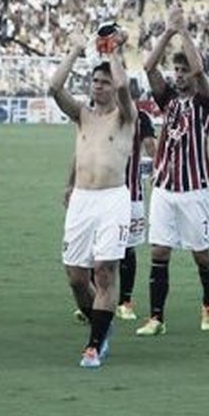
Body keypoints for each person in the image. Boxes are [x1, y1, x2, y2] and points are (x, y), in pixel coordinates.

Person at [49, 24, 137, 367]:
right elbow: (55, 87)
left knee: (104, 272)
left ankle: (93, 345)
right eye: (95, 82)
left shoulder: (125, 117)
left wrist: (114, 50)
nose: (99, 86)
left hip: (113, 199)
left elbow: (124, 85)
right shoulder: (83, 116)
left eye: (104, 82)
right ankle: (103, 324)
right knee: (76, 277)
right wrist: (74, 49)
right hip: (83, 201)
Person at [136, 7, 209, 336]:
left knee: (201, 255)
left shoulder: (205, 102)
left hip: (194, 190)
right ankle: (156, 317)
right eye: (177, 70)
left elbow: (200, 72)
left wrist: (184, 32)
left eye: (183, 70)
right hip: (164, 188)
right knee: (159, 251)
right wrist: (168, 33)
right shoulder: (168, 100)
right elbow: (148, 67)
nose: (180, 75)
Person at [64, 106, 156, 322]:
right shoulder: (95, 117)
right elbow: (81, 154)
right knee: (101, 252)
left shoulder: (138, 117)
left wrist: (158, 170)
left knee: (122, 250)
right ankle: (106, 302)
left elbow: (151, 146)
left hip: (128, 194)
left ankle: (124, 301)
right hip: (102, 194)